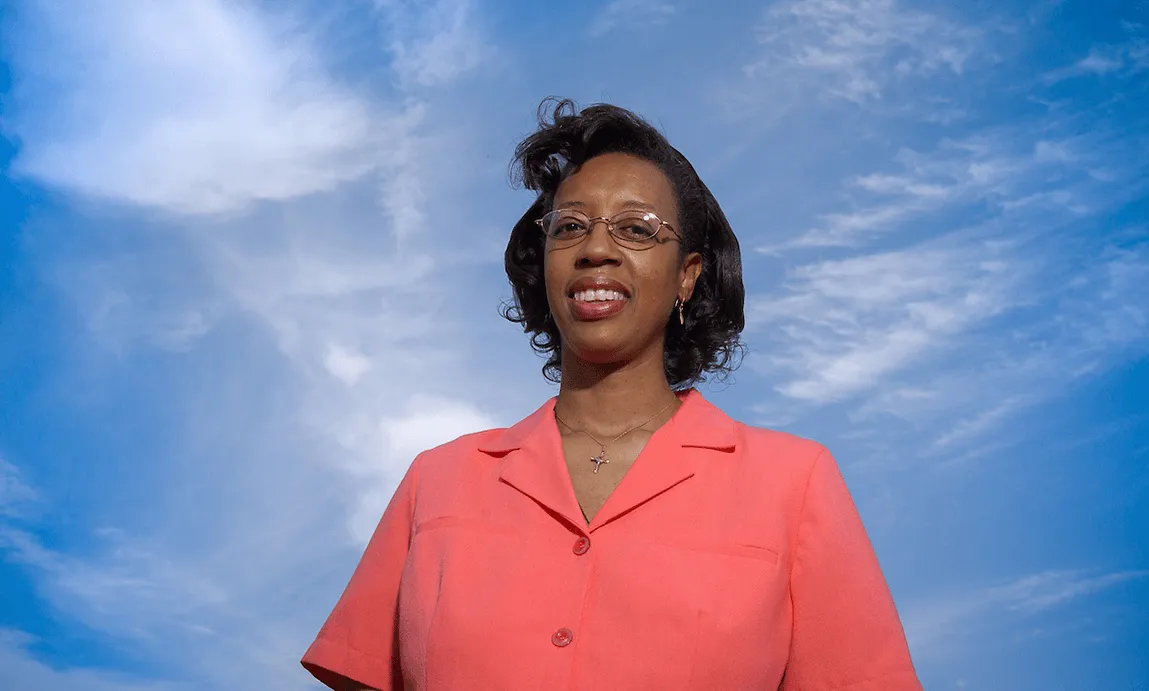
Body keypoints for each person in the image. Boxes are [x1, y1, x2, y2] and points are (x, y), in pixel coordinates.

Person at [300, 99, 922, 690]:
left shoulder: (793, 484)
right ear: (542, 266)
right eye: (569, 227)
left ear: (688, 274)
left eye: (636, 229)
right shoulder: (437, 482)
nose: (596, 249)